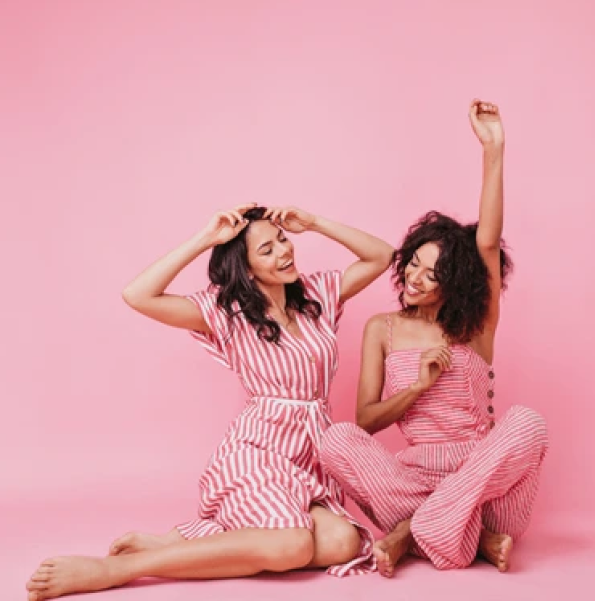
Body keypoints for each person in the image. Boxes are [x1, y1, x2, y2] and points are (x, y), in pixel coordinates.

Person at [25, 204, 394, 600]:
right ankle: (118, 569)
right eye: (267, 250)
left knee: (342, 542)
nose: (284, 251)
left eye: (282, 240)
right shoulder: (227, 313)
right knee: (293, 545)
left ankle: (186, 544)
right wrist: (205, 239)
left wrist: (315, 223)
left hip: (310, 456)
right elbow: (137, 294)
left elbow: (382, 255)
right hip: (258, 452)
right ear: (247, 269)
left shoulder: (315, 295)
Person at [319, 100, 548, 578]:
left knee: (528, 423)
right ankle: (467, 537)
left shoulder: (476, 327)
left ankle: (414, 531)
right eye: (414, 264)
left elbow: (488, 242)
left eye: (433, 274)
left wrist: (494, 149)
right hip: (411, 480)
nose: (415, 277)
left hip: (487, 487)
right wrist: (417, 387)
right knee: (337, 438)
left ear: (456, 284)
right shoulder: (382, 328)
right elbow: (365, 421)